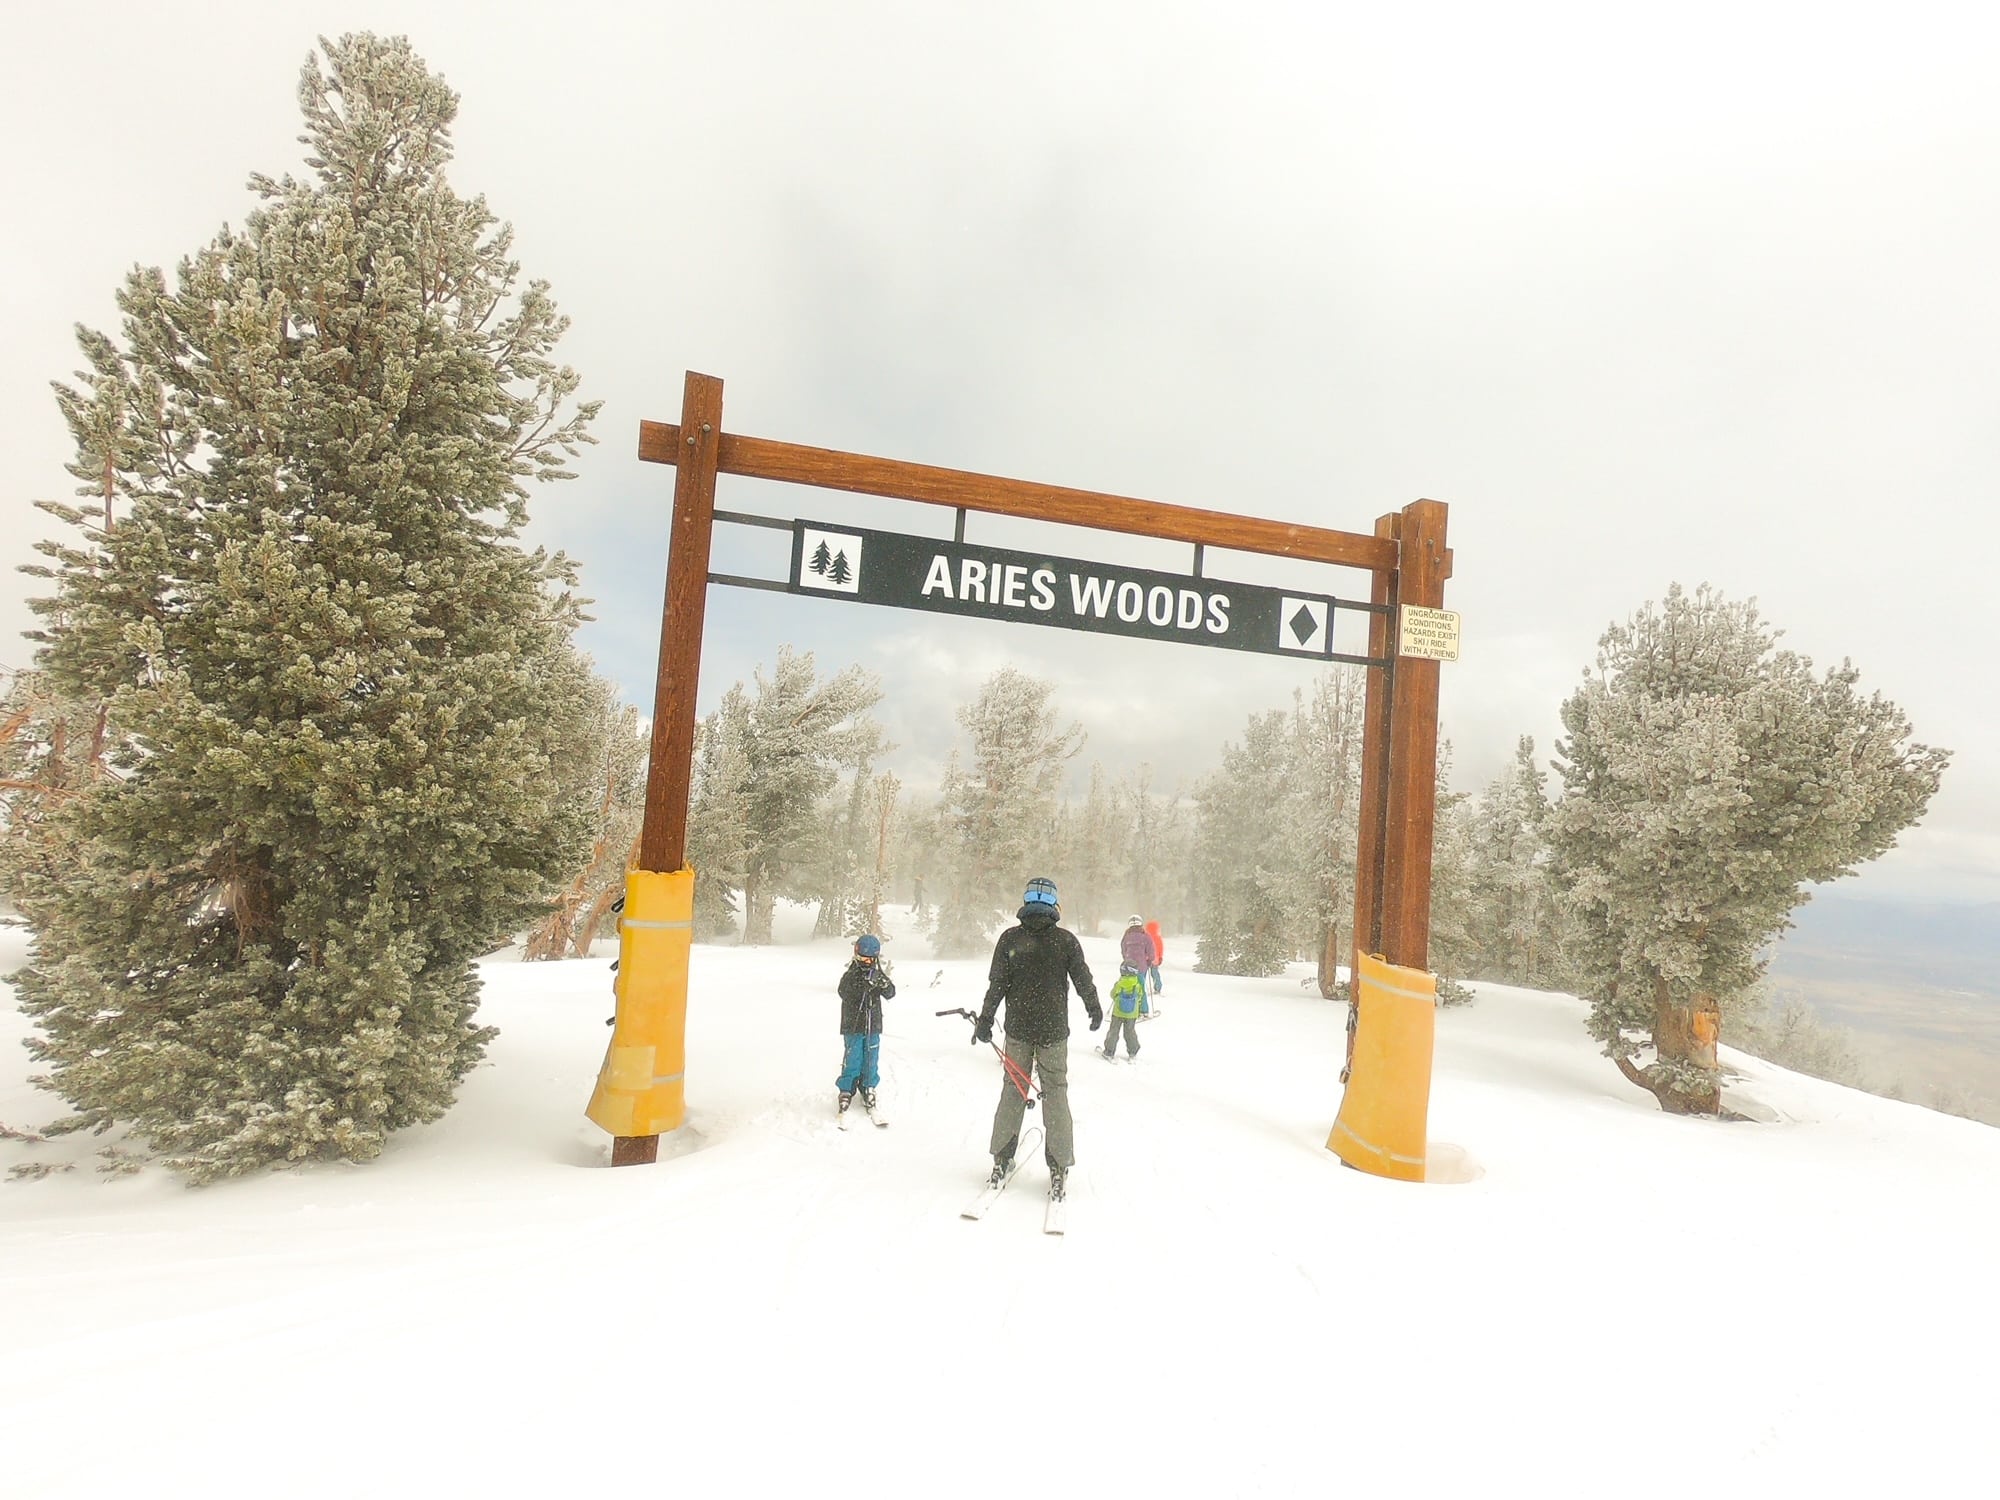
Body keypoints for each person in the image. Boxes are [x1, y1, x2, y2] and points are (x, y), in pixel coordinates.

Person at [973, 876, 1101, 1200]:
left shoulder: (1010, 939)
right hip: (1053, 1033)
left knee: (1013, 1092)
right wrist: (1094, 1007)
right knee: (1056, 1094)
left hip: (1018, 1031)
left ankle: (1001, 1160)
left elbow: (997, 984)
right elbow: (1083, 978)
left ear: (1026, 902)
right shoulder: (1066, 941)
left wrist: (986, 1020)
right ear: (1054, 904)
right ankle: (1059, 1167)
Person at [836, 934, 895, 1116]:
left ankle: (868, 1086)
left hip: (873, 1024)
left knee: (871, 1058)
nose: (865, 962)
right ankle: (847, 1088)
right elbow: (843, 991)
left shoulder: (877, 973)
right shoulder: (851, 974)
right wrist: (861, 985)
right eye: (862, 958)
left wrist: (882, 983)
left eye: (869, 959)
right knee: (853, 1058)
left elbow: (890, 993)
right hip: (853, 1025)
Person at [1102, 962, 1146, 1061]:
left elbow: (1112, 994)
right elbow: (1140, 996)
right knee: (1130, 1032)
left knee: (1114, 1031)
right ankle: (1133, 1051)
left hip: (1118, 1012)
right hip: (1132, 1014)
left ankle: (1109, 1051)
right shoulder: (1137, 984)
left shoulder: (1119, 984)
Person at [1121, 914, 1161, 1018]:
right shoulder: (1145, 936)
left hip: (1128, 967)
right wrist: (1150, 960)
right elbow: (1151, 951)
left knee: (1128, 987)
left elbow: (1123, 950)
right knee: (1141, 988)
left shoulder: (1127, 936)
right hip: (1141, 966)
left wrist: (1126, 960)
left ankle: (1128, 1008)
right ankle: (1143, 1010)